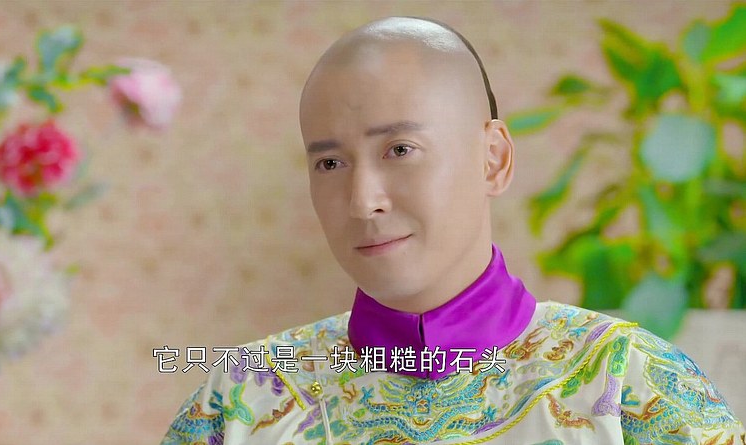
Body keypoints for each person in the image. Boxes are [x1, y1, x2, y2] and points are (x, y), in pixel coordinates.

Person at [160, 16, 745, 444]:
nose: (363, 201)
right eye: (330, 163)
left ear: (493, 159)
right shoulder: (240, 398)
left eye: (400, 149)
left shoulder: (632, 385)